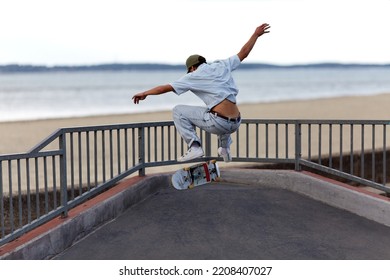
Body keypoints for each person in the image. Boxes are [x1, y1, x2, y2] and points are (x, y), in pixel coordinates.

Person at [132, 23, 270, 162]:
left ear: (192, 67)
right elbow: (244, 53)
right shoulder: (222, 65)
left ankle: (195, 146)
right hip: (236, 122)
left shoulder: (193, 75)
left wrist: (145, 93)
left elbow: (165, 88)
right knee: (214, 108)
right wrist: (255, 34)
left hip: (219, 123)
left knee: (178, 111)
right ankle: (224, 148)